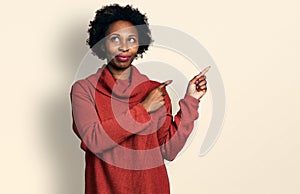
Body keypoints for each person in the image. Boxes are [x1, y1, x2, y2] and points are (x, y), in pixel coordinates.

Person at [70, 4, 208, 194]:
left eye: (131, 39)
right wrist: (143, 109)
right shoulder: (84, 90)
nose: (124, 47)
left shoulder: (155, 91)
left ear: (139, 45)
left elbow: (169, 150)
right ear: (102, 43)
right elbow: (95, 140)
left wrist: (191, 100)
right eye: (115, 39)